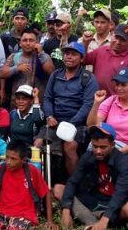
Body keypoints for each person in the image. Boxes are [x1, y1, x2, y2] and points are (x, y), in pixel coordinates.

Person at [55, 124, 128, 230]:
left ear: (112, 145)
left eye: (103, 147)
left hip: (116, 204)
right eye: (95, 146)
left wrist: (105, 218)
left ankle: (97, 221)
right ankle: (93, 222)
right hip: (95, 200)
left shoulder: (124, 163)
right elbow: (73, 181)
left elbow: (120, 194)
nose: (98, 151)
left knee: (127, 209)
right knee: (59, 189)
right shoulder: (89, 157)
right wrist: (66, 210)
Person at [39, 42, 98, 179]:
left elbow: (88, 105)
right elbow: (47, 98)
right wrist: (49, 115)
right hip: (54, 120)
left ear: (82, 58)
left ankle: (74, 185)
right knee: (38, 143)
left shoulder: (88, 78)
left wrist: (71, 123)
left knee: (69, 147)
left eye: (74, 54)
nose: (69, 57)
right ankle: (43, 183)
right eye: (67, 53)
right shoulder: (56, 75)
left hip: (77, 123)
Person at [0, 27, 54, 105]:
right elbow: (1, 74)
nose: (28, 43)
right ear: (20, 43)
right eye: (25, 40)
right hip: (17, 103)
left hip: (37, 103)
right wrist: (16, 68)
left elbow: (51, 72)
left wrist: (41, 53)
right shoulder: (14, 56)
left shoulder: (43, 56)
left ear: (37, 42)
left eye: (31, 40)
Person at [82, 24, 128, 96]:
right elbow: (83, 60)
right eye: (116, 37)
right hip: (96, 98)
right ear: (112, 35)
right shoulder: (101, 50)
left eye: (122, 40)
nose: (118, 42)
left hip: (117, 102)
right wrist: (85, 43)